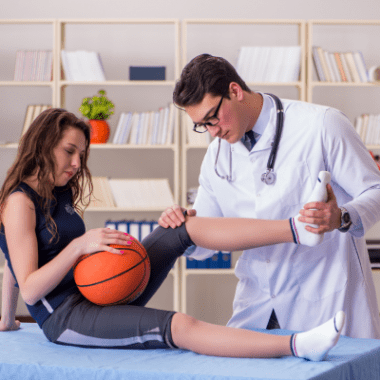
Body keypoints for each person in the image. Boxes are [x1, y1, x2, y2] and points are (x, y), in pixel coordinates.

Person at [0, 108, 346, 361]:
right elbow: (29, 284)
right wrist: (80, 246)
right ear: (44, 145)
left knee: (182, 226)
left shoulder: (57, 190)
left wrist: (6, 320)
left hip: (99, 290)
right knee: (180, 325)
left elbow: (10, 261)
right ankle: (298, 345)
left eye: (81, 154)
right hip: (68, 317)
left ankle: (297, 229)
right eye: (69, 151)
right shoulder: (20, 201)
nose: (77, 163)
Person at [158, 53, 380, 339]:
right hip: (257, 302)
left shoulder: (321, 124)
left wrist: (342, 217)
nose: (212, 133)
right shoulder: (217, 155)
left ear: (235, 91)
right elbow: (206, 242)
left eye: (212, 118)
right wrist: (183, 229)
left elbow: (375, 189)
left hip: (324, 296)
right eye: (202, 125)